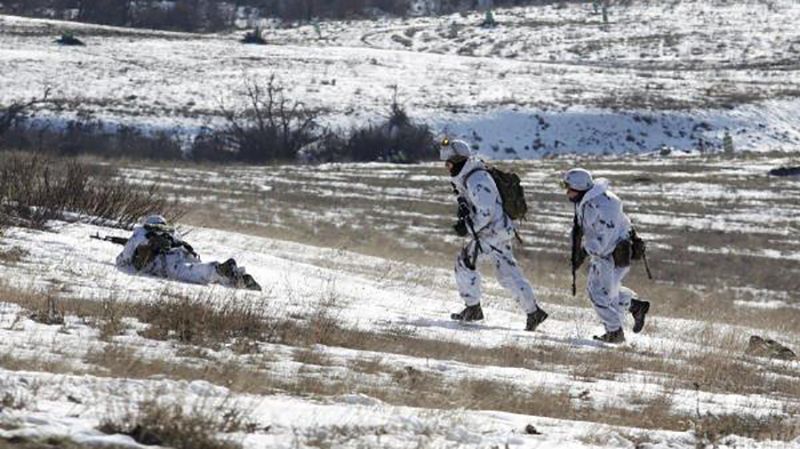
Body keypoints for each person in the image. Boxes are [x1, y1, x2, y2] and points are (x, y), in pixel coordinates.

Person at [441, 138, 548, 331]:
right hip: (500, 231)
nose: (446, 167)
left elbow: (486, 211)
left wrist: (467, 226)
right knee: (507, 274)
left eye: (448, 163)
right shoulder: (469, 176)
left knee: (464, 263)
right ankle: (534, 312)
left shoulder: (476, 179)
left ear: (458, 161)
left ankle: (473, 308)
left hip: (491, 232)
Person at [562, 168, 650, 343]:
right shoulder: (589, 201)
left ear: (580, 187)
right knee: (608, 293)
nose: (567, 192)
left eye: (569, 188)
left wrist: (584, 252)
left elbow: (604, 239)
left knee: (598, 294)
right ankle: (635, 306)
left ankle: (615, 332)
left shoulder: (604, 205)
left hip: (612, 255)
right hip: (605, 254)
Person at [116, 215, 261, 291]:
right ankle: (236, 278)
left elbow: (123, 258)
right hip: (184, 252)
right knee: (195, 268)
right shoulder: (172, 231)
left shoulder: (141, 233)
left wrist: (122, 261)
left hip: (166, 261)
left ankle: (217, 269)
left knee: (190, 272)